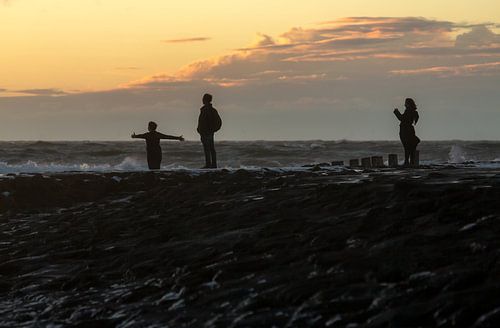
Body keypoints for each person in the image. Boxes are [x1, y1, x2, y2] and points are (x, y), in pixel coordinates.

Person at [197, 93, 222, 168]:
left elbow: (204, 122)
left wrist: (204, 130)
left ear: (205, 100)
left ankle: (209, 164)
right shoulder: (212, 110)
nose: (202, 100)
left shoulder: (206, 110)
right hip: (208, 132)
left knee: (208, 149)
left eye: (203, 99)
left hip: (206, 132)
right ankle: (213, 164)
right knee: (211, 148)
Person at [394, 98, 420, 166]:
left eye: (406, 103)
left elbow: (402, 119)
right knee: (410, 147)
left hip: (405, 130)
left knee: (406, 146)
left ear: (408, 104)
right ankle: (411, 162)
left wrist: (396, 112)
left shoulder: (408, 111)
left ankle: (407, 162)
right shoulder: (414, 111)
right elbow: (414, 121)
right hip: (410, 130)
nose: (405, 104)